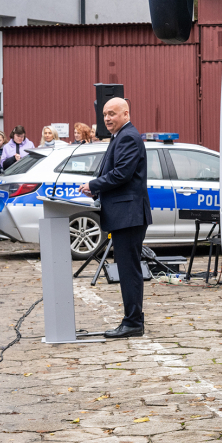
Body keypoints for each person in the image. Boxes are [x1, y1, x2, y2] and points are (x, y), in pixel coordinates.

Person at [80, 98, 152, 338]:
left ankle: (133, 323)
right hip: (124, 215)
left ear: (126, 113)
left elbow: (121, 174)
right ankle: (132, 320)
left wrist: (93, 184)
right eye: (104, 115)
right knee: (127, 268)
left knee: (129, 270)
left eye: (112, 113)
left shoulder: (129, 137)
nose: (107, 118)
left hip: (129, 215)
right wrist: (96, 187)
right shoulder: (120, 136)